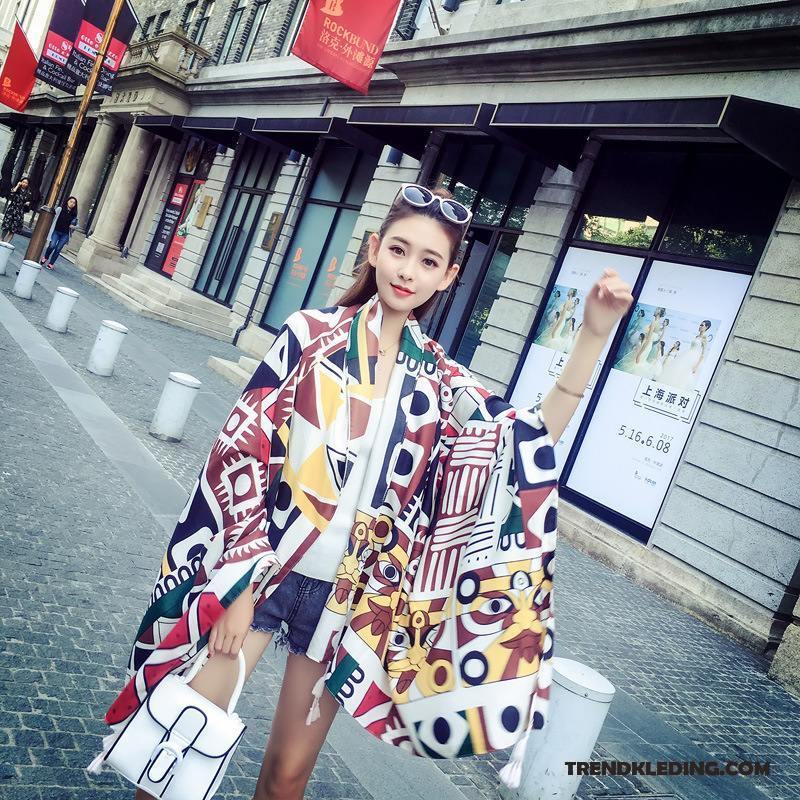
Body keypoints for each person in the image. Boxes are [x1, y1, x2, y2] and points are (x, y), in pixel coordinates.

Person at [91, 183, 633, 800]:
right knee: (179, 745)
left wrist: (590, 337)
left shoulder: (438, 381)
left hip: (345, 598)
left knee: (288, 775)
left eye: (429, 261)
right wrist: (237, 589)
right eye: (398, 250)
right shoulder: (310, 337)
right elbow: (241, 453)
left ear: (449, 276)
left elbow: (523, 446)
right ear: (374, 250)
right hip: (263, 574)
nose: (408, 270)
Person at [40, 196, 79, 269]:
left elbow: (78, 225)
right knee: (52, 245)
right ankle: (45, 257)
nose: (72, 204)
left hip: (65, 234)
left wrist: (73, 227)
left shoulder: (74, 214)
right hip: (56, 231)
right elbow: (53, 218)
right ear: (67, 201)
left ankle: (51, 263)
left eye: (74, 203)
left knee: (58, 249)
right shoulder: (60, 209)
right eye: (71, 202)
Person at [1, 176, 32, 242]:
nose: (24, 184)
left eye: (26, 183)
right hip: (12, 209)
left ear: (28, 184)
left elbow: (28, 202)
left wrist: (27, 203)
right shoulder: (16, 189)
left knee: (13, 229)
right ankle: (1, 239)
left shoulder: (28, 193)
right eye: (23, 182)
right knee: (6, 226)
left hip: (19, 212)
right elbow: (11, 195)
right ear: (21, 182)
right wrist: (17, 186)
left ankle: (7, 242)